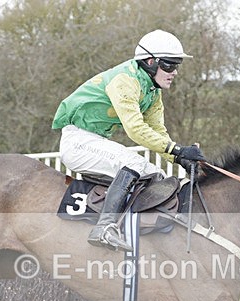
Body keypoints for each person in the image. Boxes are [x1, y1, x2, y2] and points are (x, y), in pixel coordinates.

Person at [52, 29, 206, 252]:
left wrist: (178, 158)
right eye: (169, 65)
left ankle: (141, 234)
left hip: (94, 141)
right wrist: (177, 150)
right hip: (78, 142)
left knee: (156, 174)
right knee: (133, 163)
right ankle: (104, 228)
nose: (174, 72)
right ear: (151, 62)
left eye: (177, 66)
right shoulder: (125, 80)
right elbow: (135, 129)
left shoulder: (152, 91)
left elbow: (157, 131)